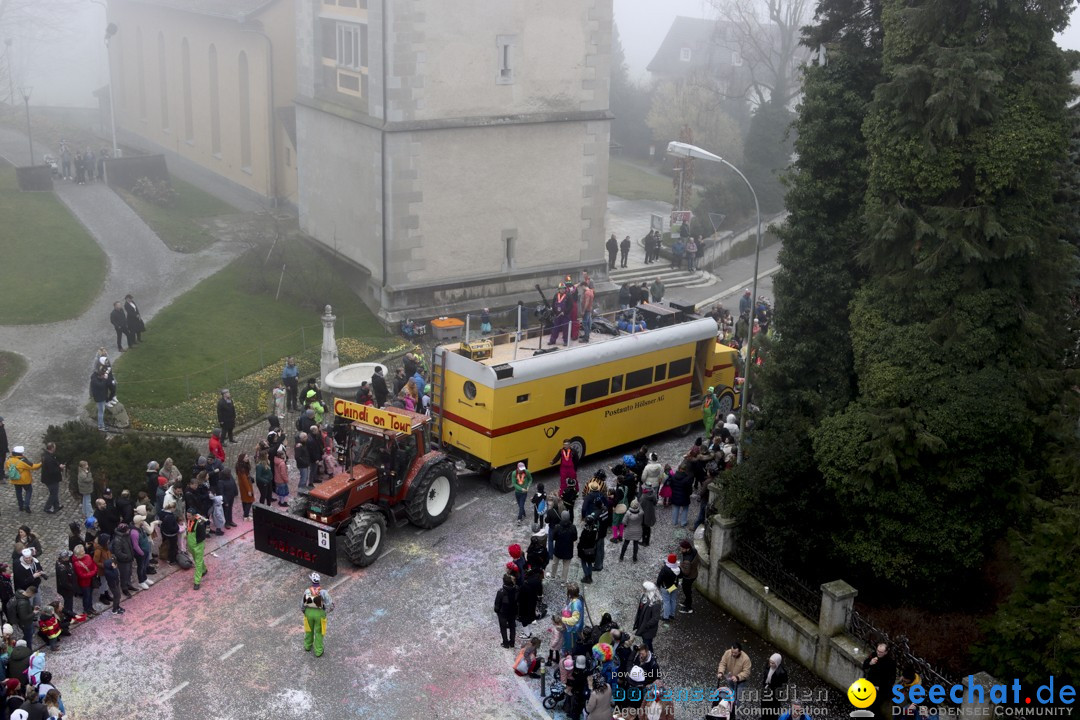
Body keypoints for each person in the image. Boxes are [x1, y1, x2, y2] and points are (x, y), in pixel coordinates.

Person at [862, 643, 897, 720]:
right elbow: (865, 665)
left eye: (881, 652)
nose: (878, 653)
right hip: (870, 684)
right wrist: (870, 663)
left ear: (886, 652)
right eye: (878, 651)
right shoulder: (874, 655)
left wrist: (880, 687)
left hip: (881, 688)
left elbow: (891, 680)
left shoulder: (890, 663)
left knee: (872, 705)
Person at [302, 573, 333, 656]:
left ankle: (307, 646)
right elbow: (329, 603)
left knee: (308, 629)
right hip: (319, 614)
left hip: (308, 612)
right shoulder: (323, 592)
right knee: (319, 632)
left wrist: (304, 611)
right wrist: (325, 611)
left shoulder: (307, 591)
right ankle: (318, 651)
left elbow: (302, 604)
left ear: (312, 581)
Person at [6, 447, 40, 514]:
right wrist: (41, 463)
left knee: (18, 492)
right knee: (29, 490)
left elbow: (7, 467)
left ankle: (21, 506)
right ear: (21, 453)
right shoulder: (23, 460)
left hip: (15, 479)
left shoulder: (9, 460)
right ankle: (26, 505)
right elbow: (33, 466)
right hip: (25, 480)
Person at [717, 642, 752, 707]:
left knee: (738, 696)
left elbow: (746, 672)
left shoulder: (746, 659)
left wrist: (738, 677)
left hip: (741, 680)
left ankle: (735, 709)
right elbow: (723, 663)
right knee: (731, 692)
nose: (733, 654)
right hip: (731, 677)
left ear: (740, 652)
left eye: (735, 653)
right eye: (732, 652)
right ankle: (730, 705)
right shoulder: (727, 653)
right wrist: (721, 672)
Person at [632, 581, 663, 653]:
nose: (642, 590)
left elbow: (655, 618)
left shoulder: (656, 603)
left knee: (648, 643)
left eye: (644, 589)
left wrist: (646, 625)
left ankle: (650, 656)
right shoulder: (645, 596)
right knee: (646, 642)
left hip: (648, 630)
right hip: (643, 625)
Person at [550, 511, 577, 585]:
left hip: (558, 548)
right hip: (568, 549)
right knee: (566, 566)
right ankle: (563, 581)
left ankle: (553, 576)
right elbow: (575, 538)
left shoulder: (557, 527)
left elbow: (553, 538)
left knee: (555, 563)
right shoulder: (573, 527)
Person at [71, 545, 97, 618]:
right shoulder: (76, 563)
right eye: (82, 551)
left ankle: (90, 607)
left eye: (83, 550)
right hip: (84, 583)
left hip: (91, 580)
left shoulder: (88, 556)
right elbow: (82, 575)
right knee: (86, 596)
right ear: (78, 554)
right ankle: (86, 609)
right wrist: (93, 572)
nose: (84, 552)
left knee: (90, 595)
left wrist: (93, 571)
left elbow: (94, 565)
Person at [761, 652, 788, 718]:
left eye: (773, 663)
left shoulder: (782, 672)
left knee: (773, 709)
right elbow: (765, 676)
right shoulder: (768, 666)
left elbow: (784, 683)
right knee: (764, 706)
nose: (770, 664)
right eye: (770, 662)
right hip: (766, 690)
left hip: (775, 693)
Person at [494, 573, 518, 648]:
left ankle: (505, 643)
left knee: (503, 628)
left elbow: (497, 605)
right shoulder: (516, 589)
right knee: (512, 627)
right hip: (513, 611)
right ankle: (512, 642)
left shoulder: (501, 592)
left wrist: (497, 611)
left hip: (503, 613)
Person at [39, 443, 64, 514]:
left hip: (48, 478)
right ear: (52, 448)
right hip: (51, 479)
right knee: (53, 494)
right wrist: (60, 467)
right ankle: (47, 507)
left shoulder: (46, 455)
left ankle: (56, 506)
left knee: (54, 493)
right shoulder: (49, 458)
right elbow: (52, 471)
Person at [186, 510, 208, 590]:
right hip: (191, 546)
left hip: (198, 546)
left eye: (189, 516)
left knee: (197, 563)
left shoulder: (199, 524)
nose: (187, 517)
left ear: (194, 515)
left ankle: (197, 582)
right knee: (196, 560)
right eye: (187, 515)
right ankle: (204, 570)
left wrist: (195, 543)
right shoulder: (189, 520)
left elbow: (202, 536)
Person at [657, 554, 680, 623]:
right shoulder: (678, 568)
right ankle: (671, 615)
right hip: (674, 586)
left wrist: (658, 585)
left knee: (666, 602)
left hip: (666, 587)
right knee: (673, 600)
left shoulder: (665, 569)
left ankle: (665, 617)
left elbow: (660, 578)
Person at [576, 515, 598, 584]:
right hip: (592, 549)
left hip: (585, 549)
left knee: (583, 562)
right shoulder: (595, 529)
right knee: (589, 563)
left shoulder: (585, 531)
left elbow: (582, 540)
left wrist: (579, 547)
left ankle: (587, 576)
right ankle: (590, 576)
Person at [235, 454, 255, 520]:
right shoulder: (242, 469)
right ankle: (246, 515)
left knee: (244, 500)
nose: (247, 458)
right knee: (249, 500)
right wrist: (249, 490)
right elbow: (245, 480)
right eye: (246, 457)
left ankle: (245, 513)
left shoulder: (241, 466)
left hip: (243, 486)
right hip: (246, 486)